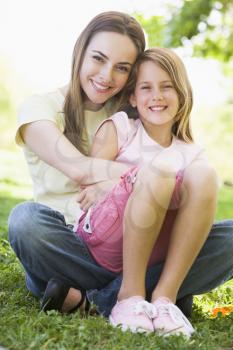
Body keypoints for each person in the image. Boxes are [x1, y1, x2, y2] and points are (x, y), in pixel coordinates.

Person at [8, 10, 233, 334]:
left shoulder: (133, 109)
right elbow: (80, 169)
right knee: (26, 221)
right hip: (68, 243)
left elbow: (172, 162)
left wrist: (161, 178)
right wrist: (151, 175)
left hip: (141, 238)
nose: (106, 75)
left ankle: (97, 297)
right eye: (98, 58)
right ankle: (143, 293)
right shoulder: (40, 108)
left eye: (122, 68)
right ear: (80, 52)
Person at [70, 47, 218, 337]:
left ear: (182, 94)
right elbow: (90, 185)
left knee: (206, 175)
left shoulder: (190, 153)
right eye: (146, 88)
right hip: (105, 240)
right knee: (160, 171)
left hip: (158, 246)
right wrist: (139, 180)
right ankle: (130, 296)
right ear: (133, 97)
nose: (157, 96)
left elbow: (197, 207)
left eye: (167, 87)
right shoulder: (121, 129)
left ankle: (165, 299)